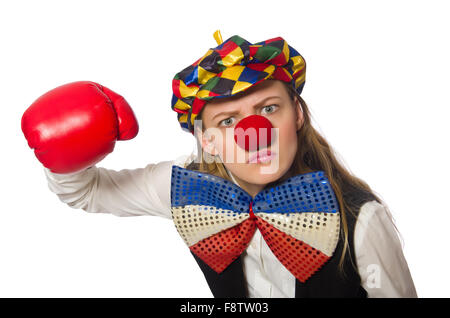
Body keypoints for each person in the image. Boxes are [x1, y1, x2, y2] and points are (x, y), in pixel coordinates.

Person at [21, 31, 417, 298]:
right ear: (207, 140)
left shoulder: (362, 218)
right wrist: (68, 143)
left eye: (268, 108)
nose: (254, 132)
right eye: (228, 121)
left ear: (297, 114)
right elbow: (86, 191)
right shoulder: (184, 188)